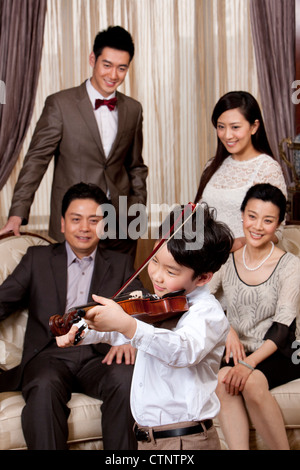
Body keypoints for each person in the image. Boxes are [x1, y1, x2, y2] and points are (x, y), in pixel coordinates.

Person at [57, 204, 234, 450]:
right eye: (154, 261)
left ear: (203, 277)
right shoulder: (160, 304)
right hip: (147, 439)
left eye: (171, 271)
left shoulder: (207, 312)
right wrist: (81, 331)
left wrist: (129, 326)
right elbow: (118, 333)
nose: (157, 276)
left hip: (185, 441)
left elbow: (182, 350)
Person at [0, 182, 145, 450]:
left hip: (100, 356)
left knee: (126, 379)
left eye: (94, 220)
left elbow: (143, 309)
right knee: (43, 387)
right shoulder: (37, 258)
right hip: (49, 355)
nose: (84, 228)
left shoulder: (121, 263)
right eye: (76, 219)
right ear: (63, 223)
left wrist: (129, 339)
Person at [0, 26, 148, 258]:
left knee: (119, 292)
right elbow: (36, 161)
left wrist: (136, 209)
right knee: (71, 292)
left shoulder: (133, 109)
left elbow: (136, 166)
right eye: (107, 65)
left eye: (122, 68)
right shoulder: (60, 104)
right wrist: (17, 213)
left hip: (121, 226)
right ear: (93, 59)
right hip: (74, 224)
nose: (113, 75)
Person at [209, 183, 300, 450]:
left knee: (252, 381)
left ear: (279, 223)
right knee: (223, 381)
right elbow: (201, 298)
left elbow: (284, 326)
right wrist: (228, 331)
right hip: (238, 348)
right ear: (242, 215)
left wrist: (248, 365)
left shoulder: (291, 265)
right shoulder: (226, 259)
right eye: (252, 216)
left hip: (281, 350)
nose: (258, 226)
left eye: (268, 220)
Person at [194, 91, 287, 252]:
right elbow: (197, 215)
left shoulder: (267, 168)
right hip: (206, 259)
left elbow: (277, 232)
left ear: (254, 126)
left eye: (235, 127)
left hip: (244, 261)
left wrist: (235, 244)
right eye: (221, 127)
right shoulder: (212, 165)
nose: (227, 135)